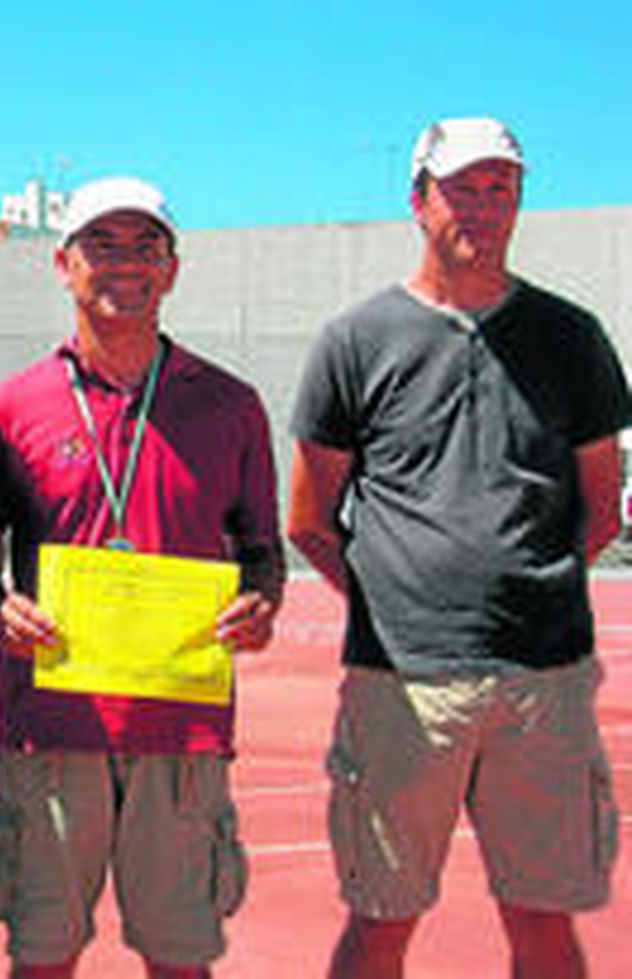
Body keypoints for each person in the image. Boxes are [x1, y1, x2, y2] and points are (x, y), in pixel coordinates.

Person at [287, 117, 627, 979]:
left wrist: (529, 594)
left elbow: (602, 511)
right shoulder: (356, 340)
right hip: (400, 686)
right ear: (418, 200)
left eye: (500, 187)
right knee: (382, 925)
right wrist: (401, 604)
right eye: (461, 188)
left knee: (545, 927)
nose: (482, 205)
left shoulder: (572, 336)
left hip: (544, 681)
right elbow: (309, 520)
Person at [0, 177, 285, 979]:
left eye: (145, 247)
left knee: (180, 960)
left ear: (172, 268)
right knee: (43, 956)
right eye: (102, 246)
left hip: (180, 730)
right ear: (63, 263)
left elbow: (262, 549)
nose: (125, 265)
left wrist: (261, 603)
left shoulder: (230, 405)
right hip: (52, 728)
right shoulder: (10, 408)